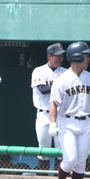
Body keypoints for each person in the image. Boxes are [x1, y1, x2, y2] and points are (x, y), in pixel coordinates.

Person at [49, 42, 90, 179]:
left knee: (81, 162)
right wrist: (52, 123)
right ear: (77, 57)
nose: (89, 58)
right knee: (70, 159)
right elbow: (54, 104)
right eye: (86, 55)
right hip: (68, 122)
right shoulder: (62, 80)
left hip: (86, 123)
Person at [31, 43, 67, 172]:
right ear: (49, 56)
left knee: (61, 148)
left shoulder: (66, 72)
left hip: (60, 115)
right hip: (43, 114)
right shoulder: (39, 71)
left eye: (62, 55)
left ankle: (61, 178)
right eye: (57, 56)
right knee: (43, 148)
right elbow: (43, 89)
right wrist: (60, 85)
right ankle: (43, 177)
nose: (60, 58)